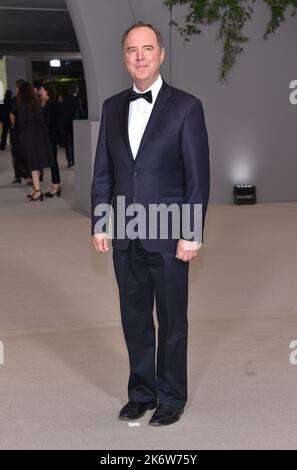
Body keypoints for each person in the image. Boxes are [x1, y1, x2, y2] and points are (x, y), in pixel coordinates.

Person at [91, 22, 210, 426]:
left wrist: (191, 232)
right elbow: (103, 172)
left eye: (146, 48)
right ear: (124, 58)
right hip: (125, 234)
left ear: (161, 53)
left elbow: (198, 177)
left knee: (173, 320)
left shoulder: (187, 106)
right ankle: (141, 392)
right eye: (131, 50)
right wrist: (101, 222)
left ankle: (172, 396)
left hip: (170, 233)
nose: (139, 56)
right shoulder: (110, 107)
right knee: (134, 318)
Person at [15, 81, 54, 201]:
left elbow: (21, 122)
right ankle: (36, 189)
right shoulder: (36, 103)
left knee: (32, 164)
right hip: (40, 136)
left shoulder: (22, 105)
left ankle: (37, 191)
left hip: (29, 137)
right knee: (35, 164)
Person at [38, 82, 62, 198]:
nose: (40, 92)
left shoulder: (52, 104)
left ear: (47, 91)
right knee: (53, 161)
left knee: (53, 162)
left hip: (50, 137)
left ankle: (56, 185)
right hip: (50, 136)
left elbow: (48, 122)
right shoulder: (50, 103)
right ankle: (56, 185)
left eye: (41, 89)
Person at [60, 83, 85, 167]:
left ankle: (70, 161)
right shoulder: (77, 100)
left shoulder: (64, 99)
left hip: (65, 123)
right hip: (75, 123)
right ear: (77, 91)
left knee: (68, 143)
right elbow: (81, 111)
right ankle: (75, 159)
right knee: (75, 143)